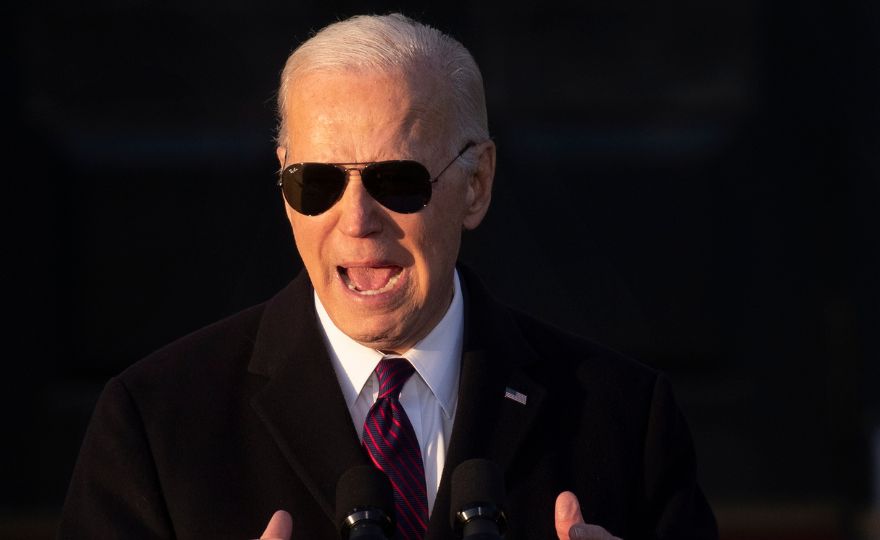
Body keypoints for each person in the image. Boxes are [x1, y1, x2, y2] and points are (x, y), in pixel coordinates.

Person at [58, 13, 717, 540]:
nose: (357, 220)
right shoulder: (155, 423)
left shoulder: (622, 419)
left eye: (397, 180)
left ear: (477, 184)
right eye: (315, 182)